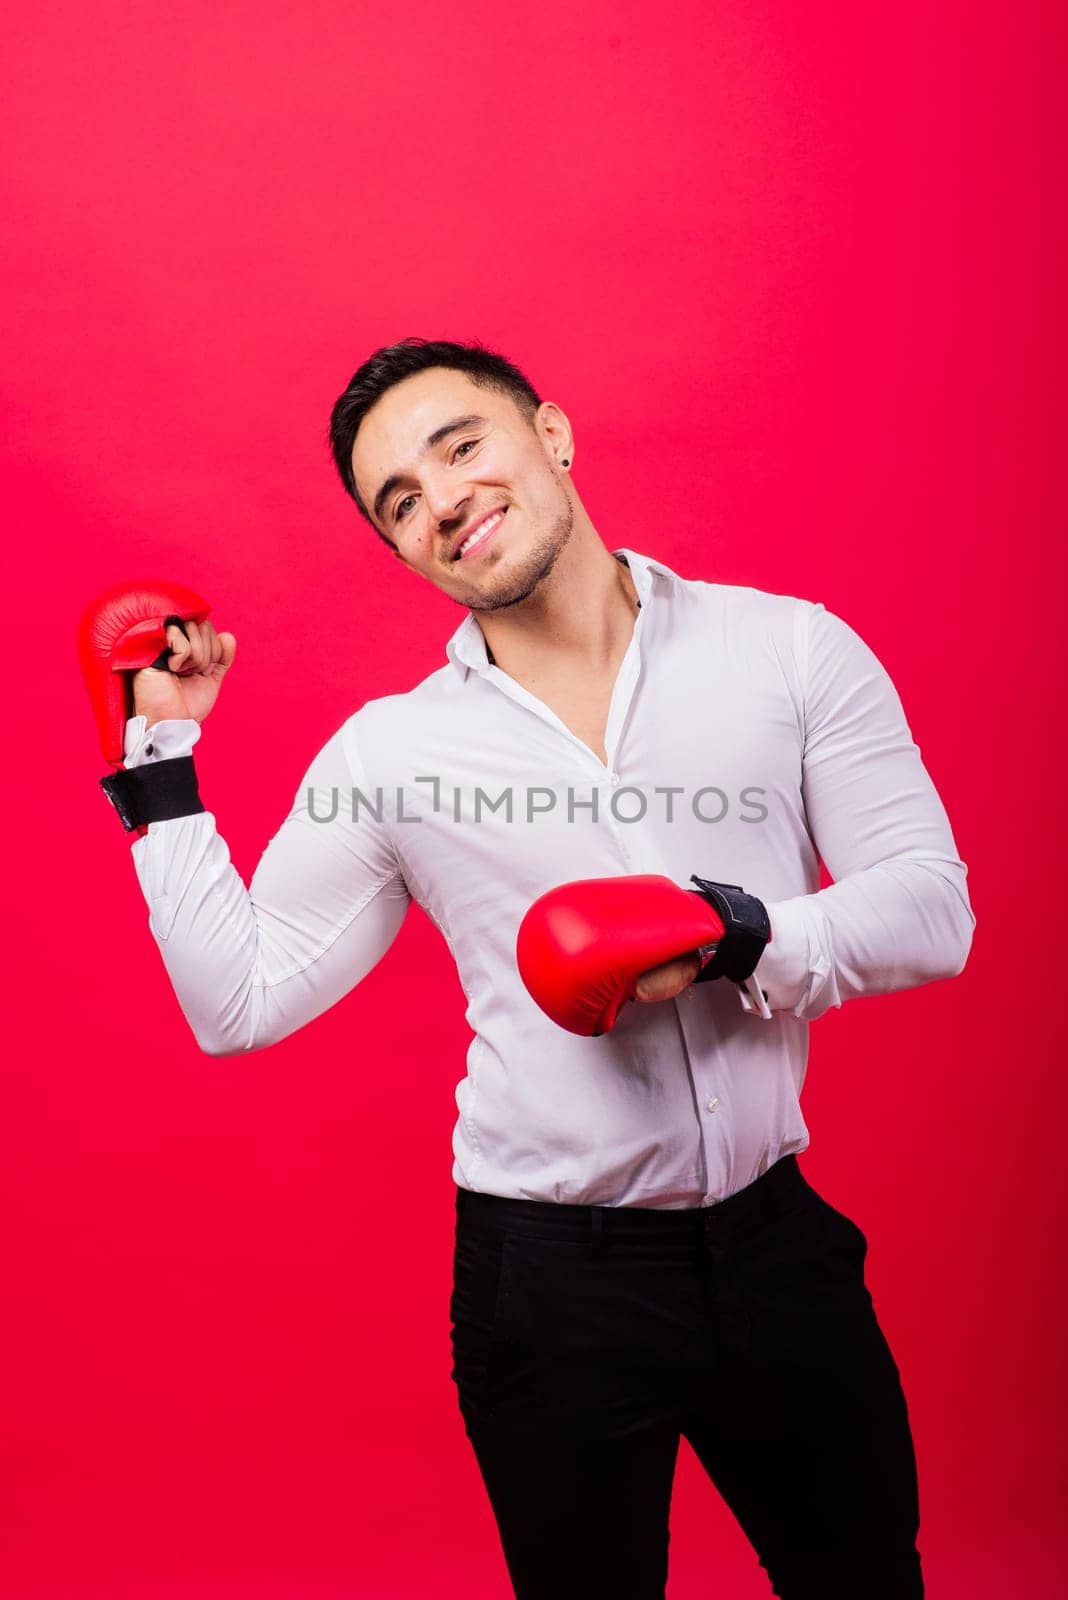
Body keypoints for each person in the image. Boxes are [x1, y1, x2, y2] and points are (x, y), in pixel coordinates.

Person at [95, 338, 974, 1598]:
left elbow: (932, 908)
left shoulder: (789, 651)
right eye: (400, 499)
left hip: (781, 1252)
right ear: (400, 548)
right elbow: (235, 1002)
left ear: (550, 434)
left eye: (461, 446)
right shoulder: (393, 752)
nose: (442, 497)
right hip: (551, 1281)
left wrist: (736, 929)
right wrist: (163, 761)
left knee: (866, 1579)